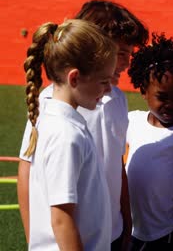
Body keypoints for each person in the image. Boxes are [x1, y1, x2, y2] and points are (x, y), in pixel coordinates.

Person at [17, 0, 149, 250]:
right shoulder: (53, 105)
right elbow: (27, 170)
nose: (126, 62)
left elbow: (116, 162)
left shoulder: (117, 99)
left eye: (130, 54)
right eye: (121, 53)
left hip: (106, 232)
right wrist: (31, 236)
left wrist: (125, 219)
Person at [23, 19, 117, 250]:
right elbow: (61, 220)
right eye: (104, 81)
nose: (109, 89)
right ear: (74, 78)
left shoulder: (59, 122)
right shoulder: (66, 135)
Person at [125, 33, 173, 251]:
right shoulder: (132, 121)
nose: (171, 104)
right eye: (162, 97)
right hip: (130, 232)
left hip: (168, 236)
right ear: (143, 90)